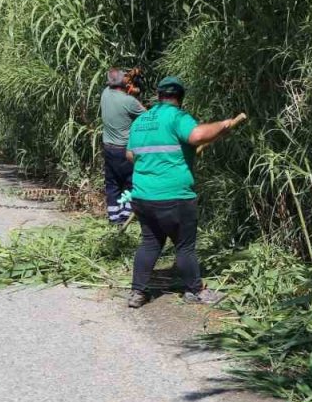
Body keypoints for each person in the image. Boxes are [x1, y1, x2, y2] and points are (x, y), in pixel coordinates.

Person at [124, 76, 241, 307]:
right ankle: (195, 291)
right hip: (175, 197)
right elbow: (197, 135)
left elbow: (130, 155)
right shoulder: (177, 117)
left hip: (143, 197)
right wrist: (224, 125)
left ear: (159, 95)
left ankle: (137, 292)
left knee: (150, 243)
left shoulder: (141, 121)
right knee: (184, 246)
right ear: (180, 97)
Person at [100, 68, 144, 225]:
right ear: (124, 82)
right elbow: (148, 116)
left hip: (108, 148)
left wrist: (128, 84)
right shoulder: (129, 102)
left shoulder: (105, 93)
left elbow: (118, 85)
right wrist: (134, 94)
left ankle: (114, 218)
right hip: (125, 150)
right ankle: (126, 216)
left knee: (112, 184)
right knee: (130, 182)